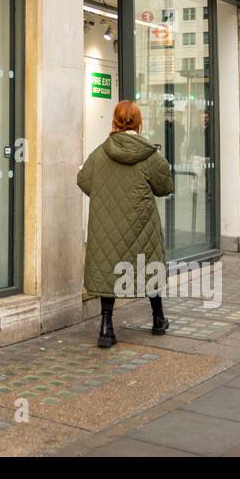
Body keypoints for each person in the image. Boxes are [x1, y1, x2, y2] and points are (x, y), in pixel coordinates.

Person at [78, 100, 174, 347]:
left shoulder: (101, 152)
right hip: (141, 223)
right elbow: (165, 187)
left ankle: (106, 327)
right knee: (147, 264)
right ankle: (158, 318)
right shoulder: (150, 154)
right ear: (139, 122)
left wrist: (106, 195)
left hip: (106, 223)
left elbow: (84, 180)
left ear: (115, 121)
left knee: (107, 269)